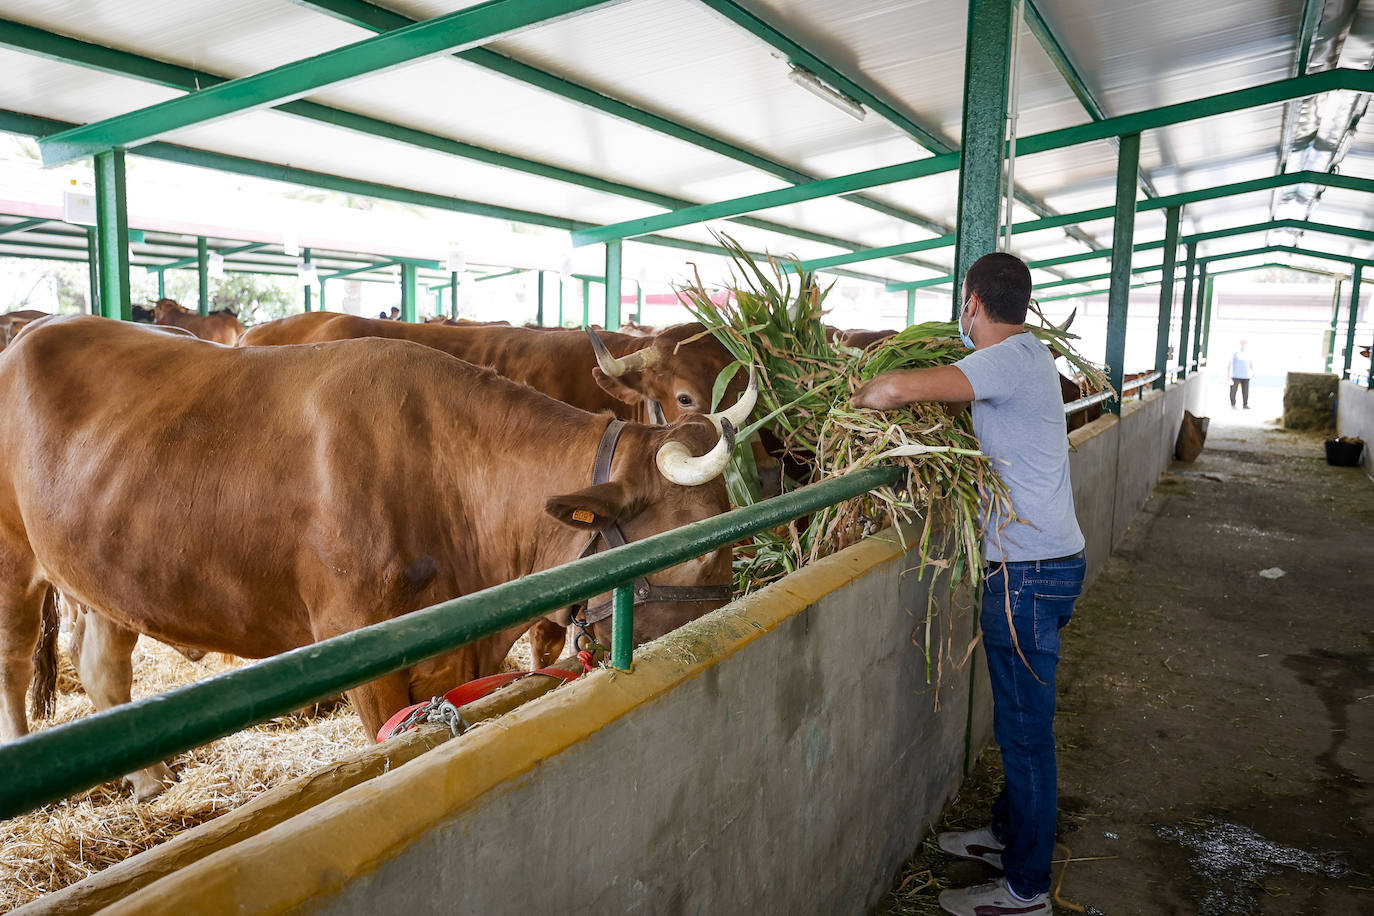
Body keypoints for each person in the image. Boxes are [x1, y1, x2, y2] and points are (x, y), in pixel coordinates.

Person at [852, 252, 1085, 916]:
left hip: (1028, 574)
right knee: (1022, 722)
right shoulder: (1031, 354)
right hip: (1047, 565)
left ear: (973, 302)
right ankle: (1006, 837)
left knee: (1024, 733)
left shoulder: (1005, 358)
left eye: (965, 303)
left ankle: (1026, 891)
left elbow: (899, 390)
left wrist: (862, 396)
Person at [1229, 340, 1253, 409]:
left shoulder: (1248, 353)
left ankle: (1245, 404)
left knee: (1245, 391)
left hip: (1246, 375)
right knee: (1233, 390)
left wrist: (1252, 372)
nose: (1244, 344)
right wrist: (1228, 375)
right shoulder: (1235, 352)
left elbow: (1250, 363)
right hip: (1236, 375)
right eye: (1243, 343)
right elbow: (1230, 363)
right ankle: (1233, 404)